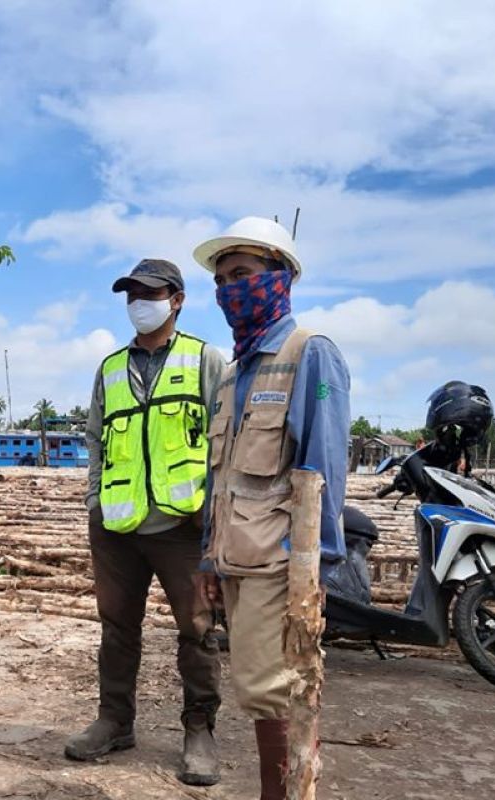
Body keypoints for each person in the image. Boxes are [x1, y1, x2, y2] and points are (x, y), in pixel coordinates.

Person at [192, 218, 350, 800]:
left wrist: (314, 575)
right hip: (238, 559)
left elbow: (324, 472)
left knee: (273, 690)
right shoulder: (234, 373)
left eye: (244, 275)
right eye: (222, 279)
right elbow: (223, 478)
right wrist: (210, 559)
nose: (230, 289)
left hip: (281, 567)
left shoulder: (311, 354)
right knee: (259, 691)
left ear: (280, 278)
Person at [66, 259, 227, 785]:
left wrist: (215, 521)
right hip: (116, 526)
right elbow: (94, 439)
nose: (139, 301)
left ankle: (199, 730)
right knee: (116, 629)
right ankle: (115, 722)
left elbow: (224, 443)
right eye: (131, 293)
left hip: (183, 526)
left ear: (176, 299)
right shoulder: (110, 368)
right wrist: (94, 502)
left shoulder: (205, 359)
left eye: (149, 292)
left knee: (197, 629)